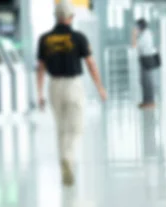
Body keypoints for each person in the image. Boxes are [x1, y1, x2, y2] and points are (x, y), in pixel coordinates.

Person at [36, 0, 107, 186]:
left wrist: (40, 94)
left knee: (61, 128)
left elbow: (40, 68)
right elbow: (91, 65)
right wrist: (99, 87)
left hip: (54, 86)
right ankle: (69, 158)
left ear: (56, 17)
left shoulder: (45, 39)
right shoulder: (78, 37)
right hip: (73, 85)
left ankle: (63, 164)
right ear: (71, 17)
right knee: (76, 127)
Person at [131, 18, 157, 109]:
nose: (136, 28)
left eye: (137, 26)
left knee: (147, 81)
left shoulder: (145, 35)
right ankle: (146, 101)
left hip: (147, 59)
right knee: (144, 81)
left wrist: (134, 35)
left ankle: (150, 101)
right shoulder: (145, 34)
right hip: (145, 59)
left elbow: (135, 46)